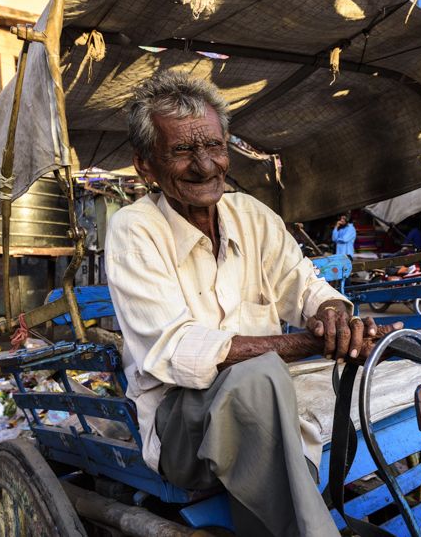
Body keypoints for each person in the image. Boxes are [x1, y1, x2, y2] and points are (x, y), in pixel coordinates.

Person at [105, 71, 399, 537]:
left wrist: (333, 317)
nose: (205, 166)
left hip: (265, 400)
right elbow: (182, 352)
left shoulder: (251, 215)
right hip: (183, 428)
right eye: (182, 151)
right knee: (257, 376)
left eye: (215, 147)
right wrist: (308, 343)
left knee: (388, 356)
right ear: (146, 166)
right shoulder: (133, 229)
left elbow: (306, 287)